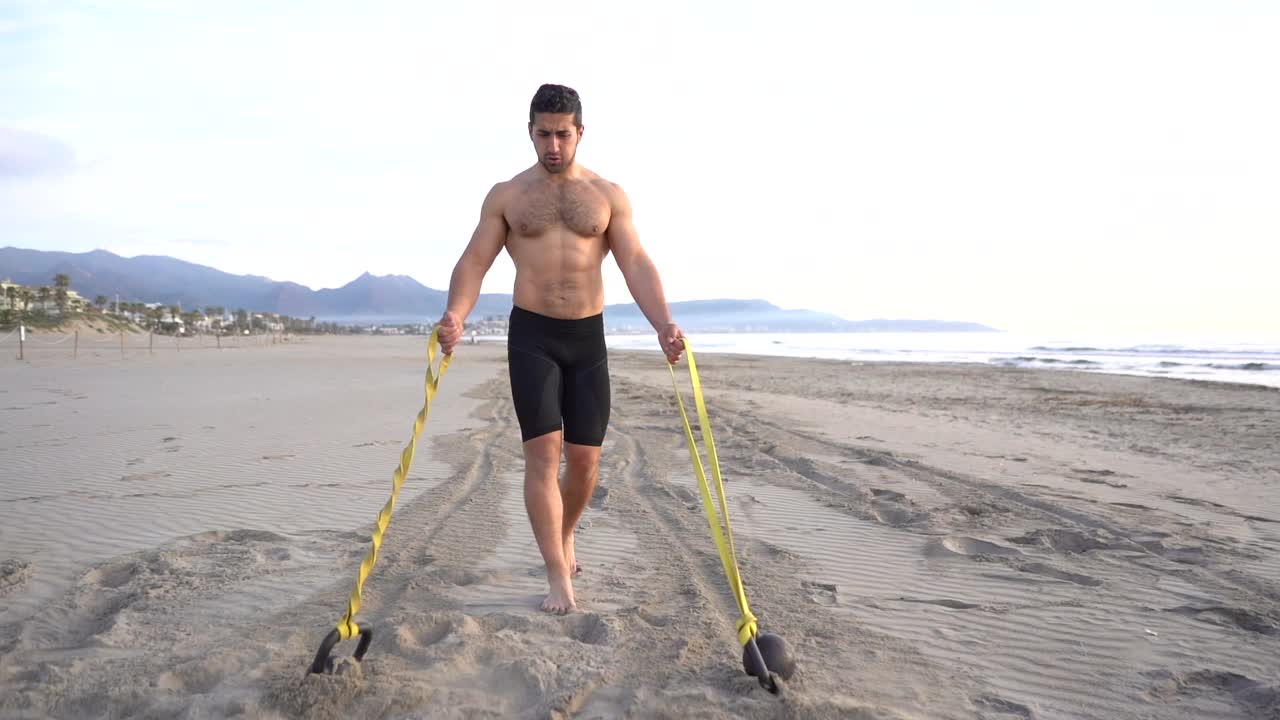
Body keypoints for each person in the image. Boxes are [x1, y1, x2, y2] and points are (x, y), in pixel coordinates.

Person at [436, 84, 686, 614]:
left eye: (562, 134)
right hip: (533, 335)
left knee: (586, 462)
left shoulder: (607, 195)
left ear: (580, 133)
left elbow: (636, 262)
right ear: (530, 132)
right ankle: (557, 575)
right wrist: (456, 313)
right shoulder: (507, 195)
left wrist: (663, 323)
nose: (553, 145)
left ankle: (565, 534)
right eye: (544, 134)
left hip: (586, 336)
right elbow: (473, 261)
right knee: (543, 455)